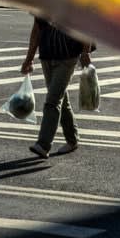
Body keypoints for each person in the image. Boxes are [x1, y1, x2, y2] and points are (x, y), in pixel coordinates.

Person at [21, 15, 93, 159]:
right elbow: (37, 29)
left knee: (52, 101)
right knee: (61, 98)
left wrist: (85, 51)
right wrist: (29, 59)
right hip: (47, 56)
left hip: (68, 57)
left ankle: (43, 144)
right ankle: (72, 139)